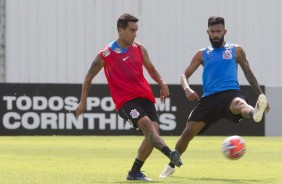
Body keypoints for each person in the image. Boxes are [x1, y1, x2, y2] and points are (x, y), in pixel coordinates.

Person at [76, 13, 182, 181]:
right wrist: (83, 102)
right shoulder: (106, 53)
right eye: (132, 30)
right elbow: (88, 76)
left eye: (136, 30)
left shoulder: (139, 48)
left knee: (153, 133)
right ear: (121, 30)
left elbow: (151, 69)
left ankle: (134, 173)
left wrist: (162, 83)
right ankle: (170, 154)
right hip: (125, 101)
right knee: (148, 127)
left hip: (145, 96)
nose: (135, 34)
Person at [159, 16, 270, 178]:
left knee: (239, 104)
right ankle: (170, 165)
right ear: (208, 32)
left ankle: (255, 113)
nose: (216, 34)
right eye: (213, 32)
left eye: (219, 31)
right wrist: (187, 88)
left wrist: (261, 95)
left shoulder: (236, 50)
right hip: (209, 99)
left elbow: (248, 74)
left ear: (225, 31)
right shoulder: (202, 54)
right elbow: (184, 74)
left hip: (230, 93)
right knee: (188, 132)